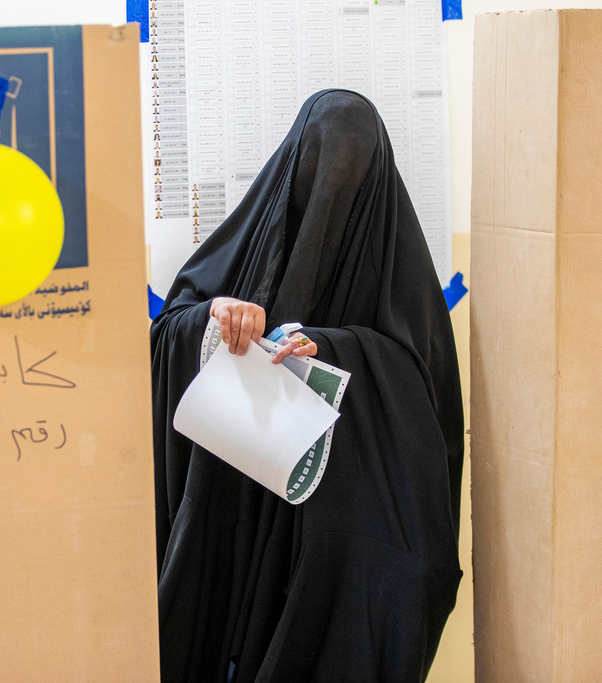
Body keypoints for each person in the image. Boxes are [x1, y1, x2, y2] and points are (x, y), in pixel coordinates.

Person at [150, 89, 464, 682]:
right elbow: (168, 332)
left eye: (349, 171)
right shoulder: (243, 246)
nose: (329, 190)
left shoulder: (404, 281)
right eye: (319, 166)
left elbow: (427, 403)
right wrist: (215, 321)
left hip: (338, 524)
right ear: (294, 165)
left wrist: (337, 350)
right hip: (233, 504)